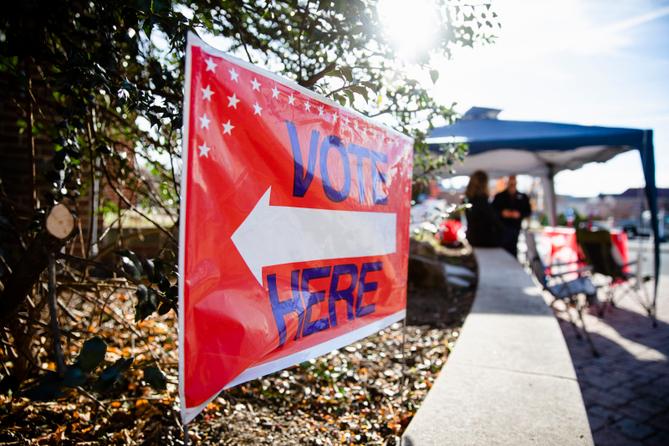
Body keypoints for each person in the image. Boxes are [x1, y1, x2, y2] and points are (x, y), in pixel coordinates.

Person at [492, 175, 531, 257]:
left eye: (514, 182)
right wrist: (502, 213)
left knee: (513, 249)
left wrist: (519, 214)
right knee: (502, 250)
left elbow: (528, 211)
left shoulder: (522, 197)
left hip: (515, 228)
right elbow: (492, 211)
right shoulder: (499, 196)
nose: (512, 184)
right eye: (511, 182)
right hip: (502, 229)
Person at [464, 170, 503, 247]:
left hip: (472, 239)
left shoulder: (467, 200)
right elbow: (495, 222)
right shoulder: (482, 201)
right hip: (485, 243)